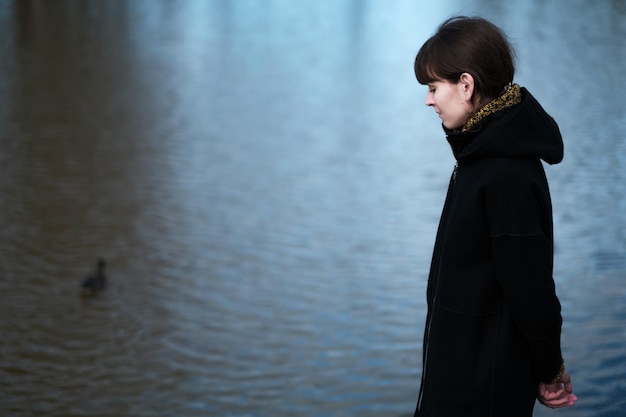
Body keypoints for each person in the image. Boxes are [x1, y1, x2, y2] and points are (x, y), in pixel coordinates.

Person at [411, 16, 577, 416]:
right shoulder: (478, 153)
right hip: (459, 378)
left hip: (482, 391)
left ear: (466, 85)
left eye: (434, 88)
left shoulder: (505, 174)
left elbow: (530, 288)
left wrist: (550, 369)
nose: (429, 100)